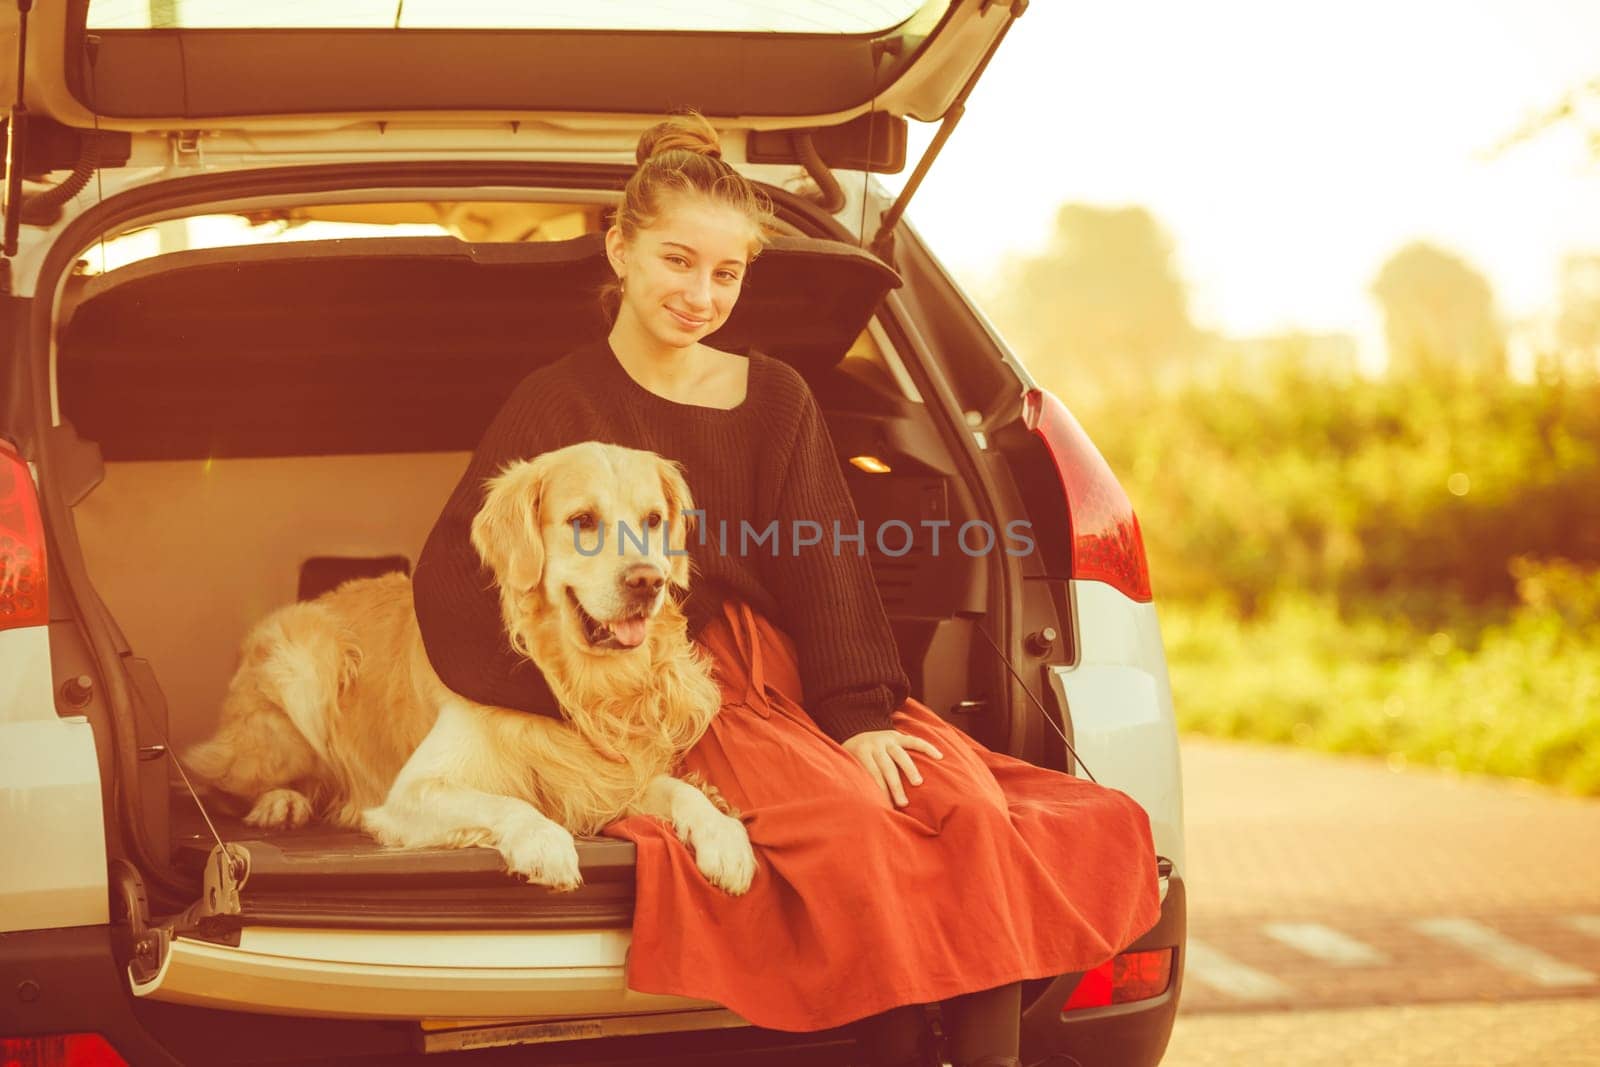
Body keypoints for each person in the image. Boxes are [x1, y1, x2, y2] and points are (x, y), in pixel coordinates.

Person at [411, 112, 1161, 1067]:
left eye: (726, 274)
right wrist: (566, 706)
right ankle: (893, 1043)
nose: (699, 293)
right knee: (851, 829)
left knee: (967, 813)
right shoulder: (557, 402)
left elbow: (826, 560)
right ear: (621, 251)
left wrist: (861, 715)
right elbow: (455, 575)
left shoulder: (775, 397)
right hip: (682, 680)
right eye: (678, 262)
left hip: (797, 674)